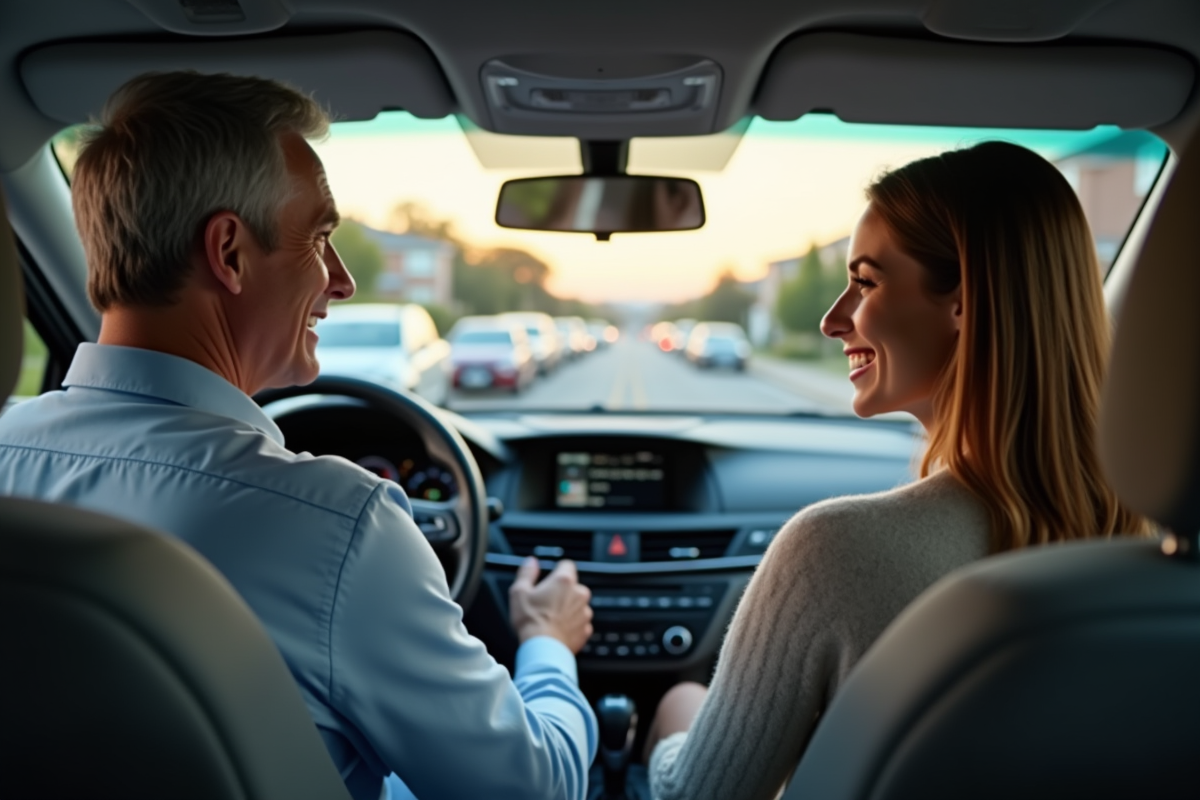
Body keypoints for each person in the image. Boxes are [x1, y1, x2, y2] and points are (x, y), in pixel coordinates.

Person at [0, 71, 597, 800]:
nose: (341, 280)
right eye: (319, 237)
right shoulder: (339, 527)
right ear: (228, 252)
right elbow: (535, 788)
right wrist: (546, 644)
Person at [641, 141, 1152, 800]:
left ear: (965, 300)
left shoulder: (834, 550)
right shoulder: (1157, 553)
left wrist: (668, 714)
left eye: (866, 281)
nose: (832, 320)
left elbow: (697, 795)